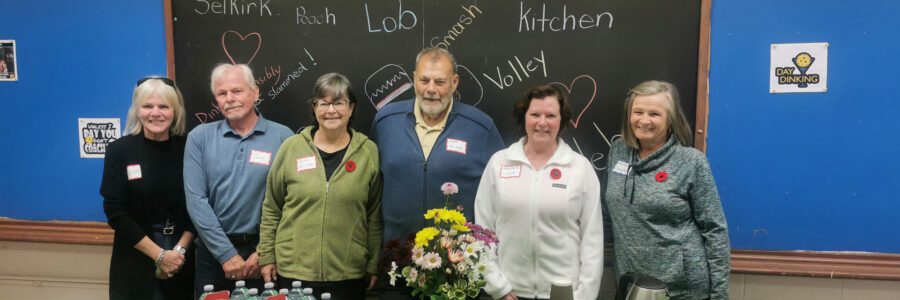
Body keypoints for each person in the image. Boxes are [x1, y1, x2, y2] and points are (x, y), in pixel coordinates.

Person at [370, 47, 505, 299]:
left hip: (457, 272)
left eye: (440, 81)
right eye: (424, 80)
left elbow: (503, 195)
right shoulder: (386, 121)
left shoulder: (481, 127)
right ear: (414, 79)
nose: (431, 89)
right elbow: (371, 191)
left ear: (454, 82)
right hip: (396, 268)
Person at [257, 73, 383, 298]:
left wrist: (373, 263)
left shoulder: (368, 152)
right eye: (323, 103)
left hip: (348, 274)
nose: (331, 110)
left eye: (338, 103)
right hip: (293, 272)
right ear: (314, 108)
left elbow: (374, 215)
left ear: (351, 108)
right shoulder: (291, 148)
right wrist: (266, 256)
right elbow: (272, 207)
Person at [474, 85, 604, 300]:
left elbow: (593, 239)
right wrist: (497, 286)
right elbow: (482, 230)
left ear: (562, 120)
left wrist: (584, 296)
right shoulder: (499, 163)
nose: (542, 122)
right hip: (508, 293)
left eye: (550, 115)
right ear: (523, 116)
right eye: (535, 114)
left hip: (562, 294)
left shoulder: (579, 168)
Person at [605, 80, 729, 300]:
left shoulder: (691, 162)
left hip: (681, 290)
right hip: (630, 285)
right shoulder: (617, 153)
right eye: (638, 112)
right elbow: (606, 214)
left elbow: (714, 230)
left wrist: (719, 295)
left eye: (654, 114)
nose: (644, 120)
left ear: (670, 119)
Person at [184, 64, 294, 295]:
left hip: (265, 256)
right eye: (222, 94)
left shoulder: (284, 137)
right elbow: (196, 201)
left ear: (255, 93)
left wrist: (265, 251)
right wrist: (226, 255)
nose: (230, 99)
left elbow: (291, 201)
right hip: (213, 256)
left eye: (237, 91)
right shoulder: (199, 139)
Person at [101, 76, 194, 299]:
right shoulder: (119, 151)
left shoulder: (190, 149)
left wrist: (178, 253)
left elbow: (199, 203)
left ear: (175, 111)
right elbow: (115, 212)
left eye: (164, 106)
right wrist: (160, 255)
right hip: (135, 256)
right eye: (148, 106)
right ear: (137, 110)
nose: (155, 113)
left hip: (181, 258)